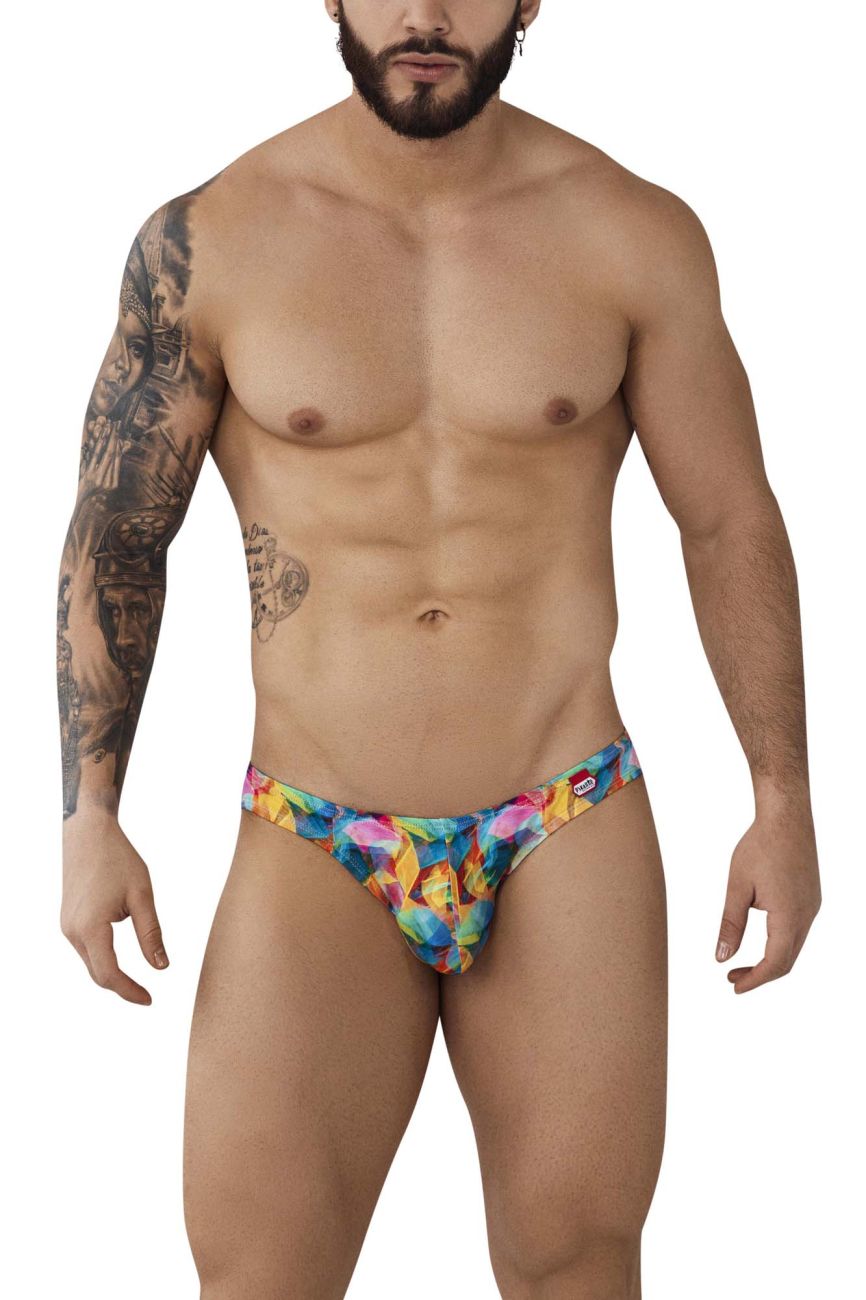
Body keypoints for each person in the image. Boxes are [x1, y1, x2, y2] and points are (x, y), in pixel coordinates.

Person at [56, 3, 822, 1296]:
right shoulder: (211, 239)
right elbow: (120, 531)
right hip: (314, 825)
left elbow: (726, 517)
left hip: (563, 810)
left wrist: (781, 797)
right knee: (259, 1277)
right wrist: (90, 818)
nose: (422, 13)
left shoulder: (630, 232)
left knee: (577, 1267)